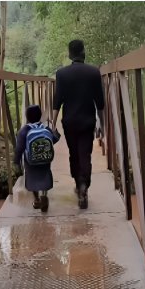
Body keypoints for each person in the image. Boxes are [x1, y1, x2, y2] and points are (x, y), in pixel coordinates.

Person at [52, 40, 105, 209]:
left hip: (69, 122)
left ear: (69, 54)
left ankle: (78, 183)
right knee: (85, 154)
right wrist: (102, 125)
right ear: (83, 52)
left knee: (73, 153)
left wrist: (52, 125)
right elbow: (100, 103)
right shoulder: (94, 72)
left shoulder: (61, 74)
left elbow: (57, 102)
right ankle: (84, 186)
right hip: (87, 121)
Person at [13, 104, 61, 213]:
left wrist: (16, 161)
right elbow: (54, 139)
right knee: (44, 175)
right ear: (40, 116)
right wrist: (55, 131)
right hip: (45, 160)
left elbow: (19, 148)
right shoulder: (45, 128)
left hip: (31, 162)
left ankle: (36, 198)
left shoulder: (24, 131)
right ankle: (44, 195)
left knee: (32, 178)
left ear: (27, 117)